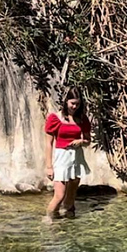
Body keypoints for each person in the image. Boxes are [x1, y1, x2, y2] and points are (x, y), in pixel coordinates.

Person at [44, 88, 92, 220]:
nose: (75, 106)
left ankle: (70, 226)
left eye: (77, 104)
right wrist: (49, 166)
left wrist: (81, 141)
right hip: (62, 157)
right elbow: (49, 143)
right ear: (66, 102)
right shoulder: (55, 118)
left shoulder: (82, 119)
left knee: (71, 198)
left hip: (76, 158)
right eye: (72, 103)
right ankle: (48, 220)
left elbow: (88, 141)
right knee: (59, 195)